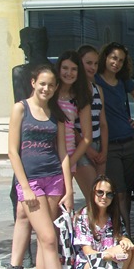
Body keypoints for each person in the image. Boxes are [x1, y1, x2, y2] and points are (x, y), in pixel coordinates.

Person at [0, 65, 80, 269]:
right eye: (42, 83)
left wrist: (69, 189)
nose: (46, 88)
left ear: (56, 88)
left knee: (46, 239)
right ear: (33, 83)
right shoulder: (20, 108)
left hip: (54, 180)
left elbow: (63, 153)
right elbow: (13, 151)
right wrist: (24, 187)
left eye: (51, 85)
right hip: (31, 182)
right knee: (49, 238)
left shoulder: (57, 113)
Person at [95, 42, 134, 232]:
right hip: (110, 145)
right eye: (113, 58)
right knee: (119, 191)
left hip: (130, 142)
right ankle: (125, 235)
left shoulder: (124, 81)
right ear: (105, 57)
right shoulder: (96, 79)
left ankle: (124, 231)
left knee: (127, 191)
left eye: (121, 60)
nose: (116, 63)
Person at [54, 51, 93, 197]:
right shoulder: (49, 92)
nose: (69, 73)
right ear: (58, 69)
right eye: (65, 68)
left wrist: (71, 162)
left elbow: (87, 137)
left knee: (61, 199)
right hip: (47, 152)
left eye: (74, 69)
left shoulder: (80, 97)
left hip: (68, 154)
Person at [76, 45, 109, 205]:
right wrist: (87, 149)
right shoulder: (73, 90)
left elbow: (103, 123)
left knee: (101, 198)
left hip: (98, 146)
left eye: (96, 63)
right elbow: (70, 126)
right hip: (79, 148)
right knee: (94, 197)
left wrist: (104, 151)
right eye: (89, 63)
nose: (93, 67)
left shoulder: (97, 89)